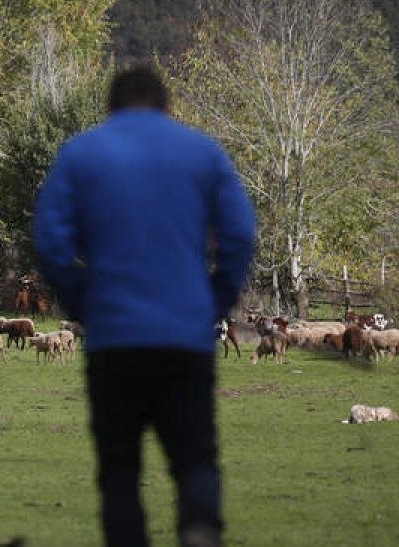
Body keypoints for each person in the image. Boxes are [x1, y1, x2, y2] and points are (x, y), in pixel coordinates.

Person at [32, 66, 255, 547]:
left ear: (110, 108)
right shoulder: (202, 153)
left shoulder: (81, 154)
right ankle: (198, 536)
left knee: (119, 473)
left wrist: (81, 299)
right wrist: (214, 300)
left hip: (113, 339)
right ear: (165, 106)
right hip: (185, 339)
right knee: (195, 464)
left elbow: (48, 239)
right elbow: (239, 234)